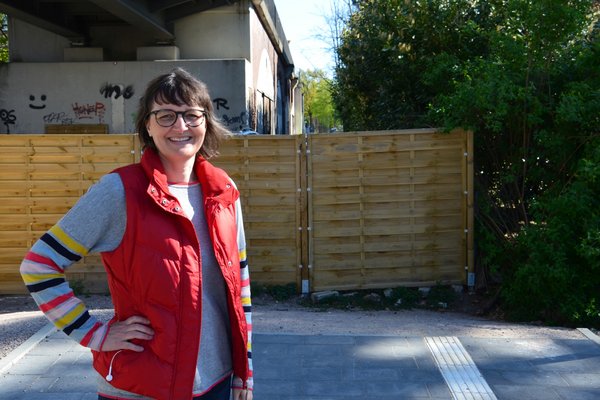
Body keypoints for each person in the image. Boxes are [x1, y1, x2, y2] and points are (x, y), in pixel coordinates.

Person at [20, 68, 253, 400]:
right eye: (166, 115)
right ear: (147, 124)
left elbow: (240, 285)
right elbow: (38, 265)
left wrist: (245, 373)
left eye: (191, 115)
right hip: (142, 385)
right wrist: (94, 334)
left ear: (206, 122)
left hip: (216, 380)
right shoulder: (121, 191)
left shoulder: (223, 191)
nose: (180, 126)